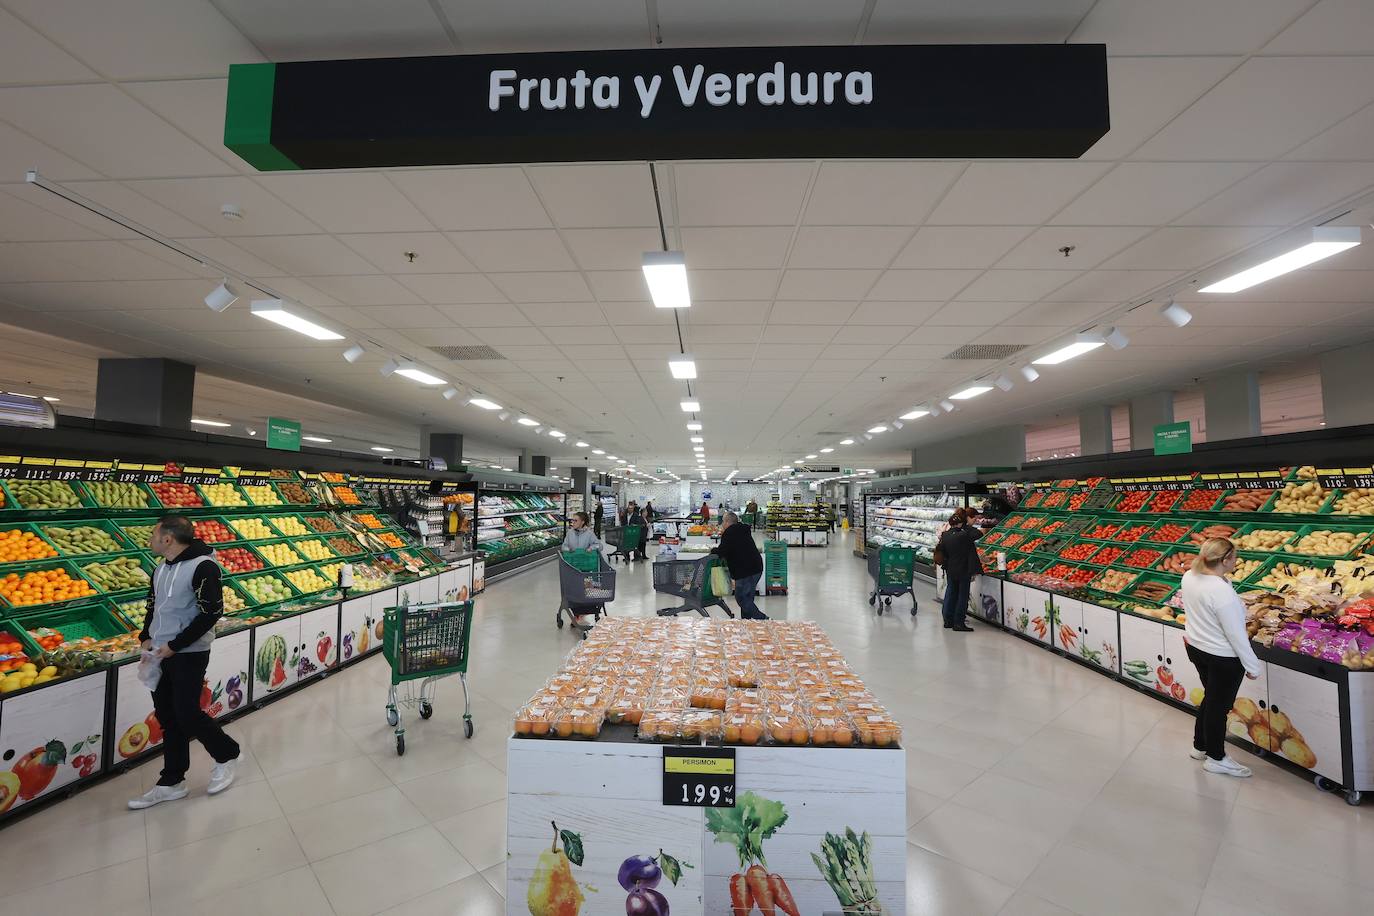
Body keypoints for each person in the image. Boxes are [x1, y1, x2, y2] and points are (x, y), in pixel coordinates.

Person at [128, 516, 240, 810]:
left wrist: (175, 646)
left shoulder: (204, 567)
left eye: (154, 534)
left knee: (187, 712)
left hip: (189, 653)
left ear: (168, 539)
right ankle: (172, 781)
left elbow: (210, 613)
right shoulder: (160, 569)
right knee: (167, 715)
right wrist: (146, 637)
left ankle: (227, 754)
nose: (150, 539)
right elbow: (153, 605)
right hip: (158, 652)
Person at [1182, 537, 1262, 777]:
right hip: (1222, 656)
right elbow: (1236, 634)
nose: (1237, 561)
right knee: (1219, 706)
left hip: (1197, 648)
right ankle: (1216, 757)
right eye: (1235, 557)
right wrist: (1252, 665)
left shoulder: (1190, 576)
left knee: (1212, 699)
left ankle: (1200, 745)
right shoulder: (1220, 591)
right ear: (1225, 559)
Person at [711, 512, 766, 620]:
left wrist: (713, 551)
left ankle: (763, 619)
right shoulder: (742, 530)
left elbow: (722, 551)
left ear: (727, 522)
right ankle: (747, 623)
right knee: (747, 599)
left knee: (741, 598)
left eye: (723, 521)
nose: (722, 524)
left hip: (745, 571)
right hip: (756, 567)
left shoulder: (730, 533)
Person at [935, 510, 981, 632]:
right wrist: (967, 526)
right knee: (962, 596)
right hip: (963, 569)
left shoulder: (945, 535)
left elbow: (943, 552)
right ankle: (959, 623)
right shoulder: (964, 535)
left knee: (950, 593)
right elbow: (978, 534)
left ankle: (947, 620)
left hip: (950, 568)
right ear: (961, 523)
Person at [561, 512, 603, 629]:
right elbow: (563, 546)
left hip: (587, 569)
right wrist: (567, 549)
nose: (572, 522)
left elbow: (599, 545)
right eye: (572, 520)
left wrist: (590, 548)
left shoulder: (589, 534)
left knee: (586, 590)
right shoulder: (570, 533)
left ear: (582, 522)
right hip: (573, 568)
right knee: (574, 591)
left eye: (575, 520)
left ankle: (583, 613)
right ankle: (577, 614)